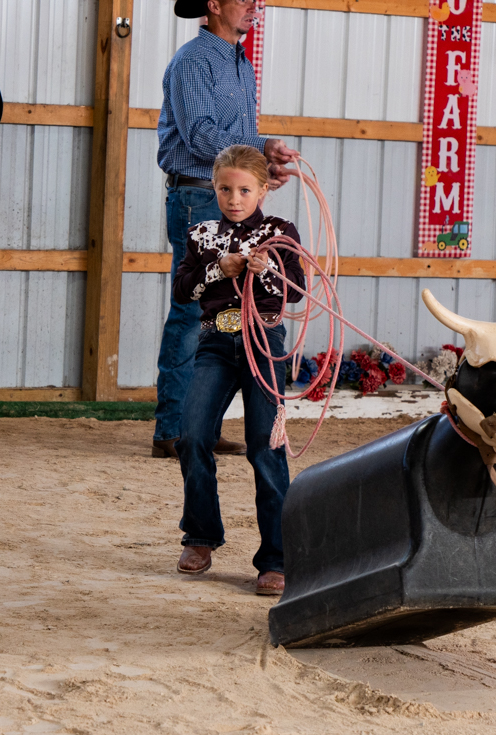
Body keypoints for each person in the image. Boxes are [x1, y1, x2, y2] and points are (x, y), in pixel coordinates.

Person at [153, 0, 299, 459]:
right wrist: (260, 147)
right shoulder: (195, 61)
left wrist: (259, 171)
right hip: (199, 195)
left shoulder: (238, 61)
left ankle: (198, 426)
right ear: (214, 4)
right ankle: (174, 431)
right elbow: (200, 135)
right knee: (194, 308)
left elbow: (227, 141)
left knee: (220, 308)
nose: (255, 6)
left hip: (218, 191)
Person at [172, 145, 305, 596]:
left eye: (244, 190)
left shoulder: (280, 233)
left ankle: (277, 559)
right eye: (226, 189)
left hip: (262, 341)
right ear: (214, 187)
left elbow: (298, 292)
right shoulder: (201, 234)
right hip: (215, 341)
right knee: (191, 433)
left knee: (265, 446)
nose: (234, 198)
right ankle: (200, 537)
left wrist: (265, 271)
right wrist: (217, 269)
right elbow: (183, 291)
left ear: (263, 190)